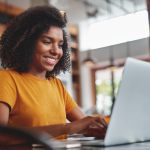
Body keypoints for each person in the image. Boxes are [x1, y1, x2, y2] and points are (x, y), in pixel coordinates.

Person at [0, 5, 107, 145]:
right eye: (47, 42)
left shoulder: (56, 84)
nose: (56, 51)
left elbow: (84, 126)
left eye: (60, 45)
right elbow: (2, 136)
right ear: (27, 43)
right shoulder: (7, 79)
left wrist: (97, 130)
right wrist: (66, 128)